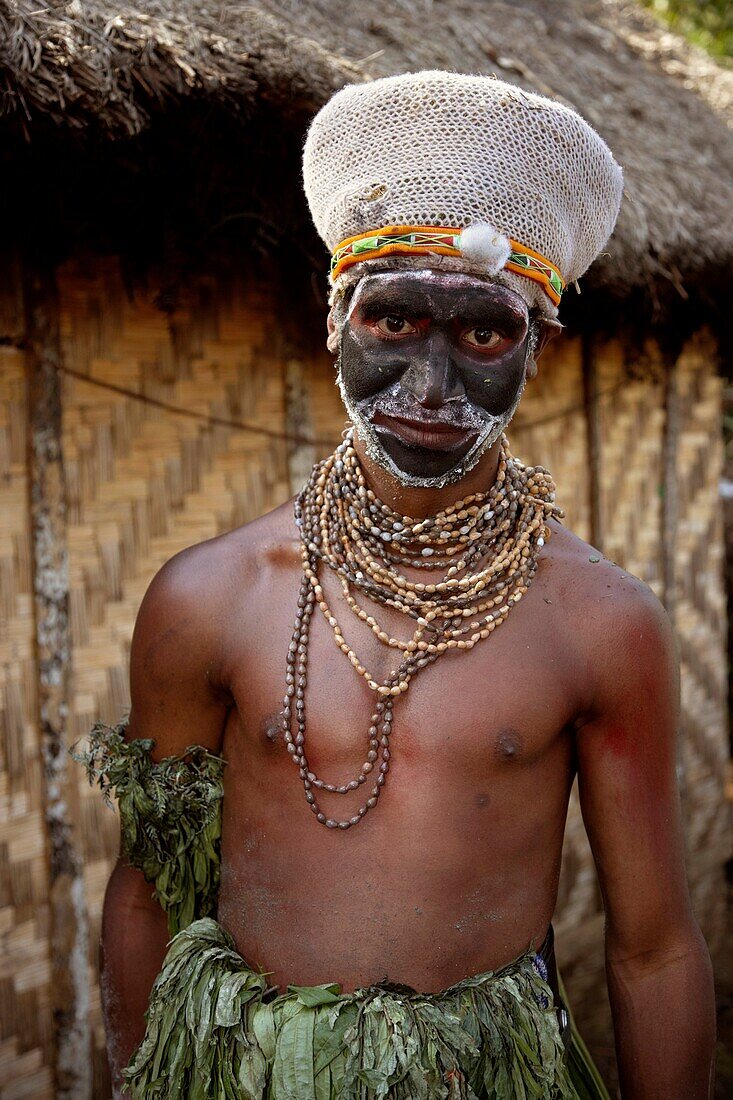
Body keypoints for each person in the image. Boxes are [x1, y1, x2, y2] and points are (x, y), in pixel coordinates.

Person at [78, 71, 716, 1098]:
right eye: (393, 320)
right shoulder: (211, 597)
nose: (431, 385)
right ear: (333, 319)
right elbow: (148, 889)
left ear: (536, 351)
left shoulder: (601, 623)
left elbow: (652, 949)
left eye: (483, 333)